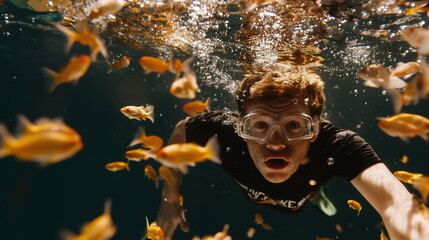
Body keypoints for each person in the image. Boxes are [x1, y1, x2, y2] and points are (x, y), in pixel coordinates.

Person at [156, 68, 429, 240]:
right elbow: (183, 129)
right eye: (260, 125)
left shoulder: (338, 146)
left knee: (312, 187)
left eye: (294, 126)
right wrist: (169, 198)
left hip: (307, 187)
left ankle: (314, 194)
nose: (276, 143)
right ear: (241, 126)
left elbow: (397, 203)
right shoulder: (225, 130)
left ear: (315, 129)